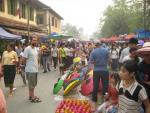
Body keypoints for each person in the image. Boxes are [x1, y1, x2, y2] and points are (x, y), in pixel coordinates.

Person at [23, 37, 42, 103]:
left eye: (36, 40)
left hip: (35, 69)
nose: (35, 41)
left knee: (32, 84)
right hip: (30, 70)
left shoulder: (35, 49)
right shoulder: (27, 49)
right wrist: (26, 66)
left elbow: (36, 57)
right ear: (31, 41)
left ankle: (30, 96)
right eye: (33, 40)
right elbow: (24, 59)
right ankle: (32, 97)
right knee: (32, 84)